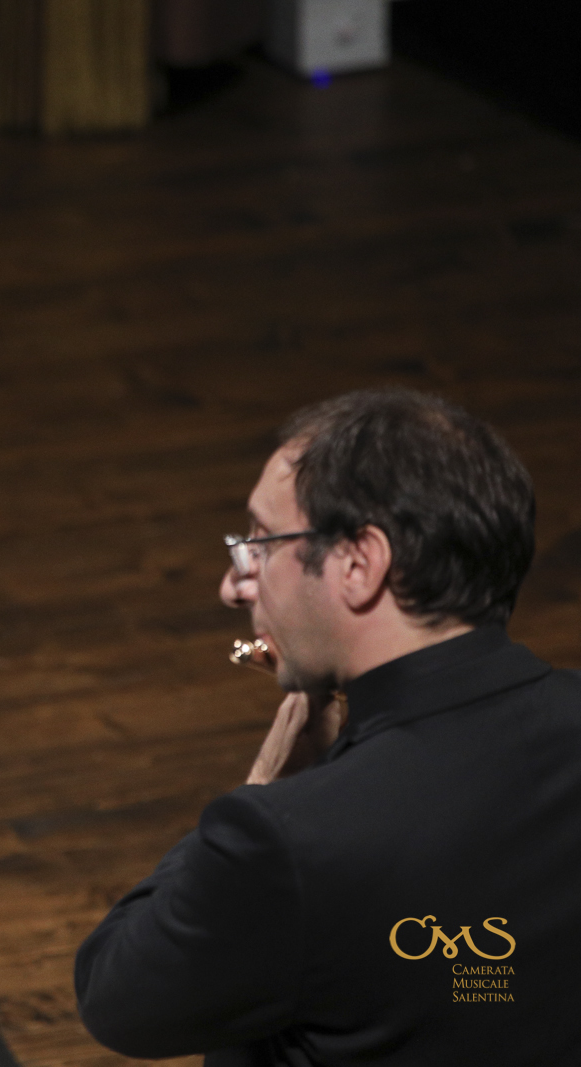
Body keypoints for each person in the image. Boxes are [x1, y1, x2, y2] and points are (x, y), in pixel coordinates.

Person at [74, 388, 581, 1063]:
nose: (234, 584)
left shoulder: (289, 839)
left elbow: (119, 998)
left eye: (261, 542)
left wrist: (264, 790)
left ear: (357, 564)